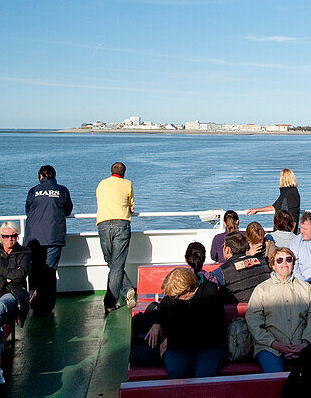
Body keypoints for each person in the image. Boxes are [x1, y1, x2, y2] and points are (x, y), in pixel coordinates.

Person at [246, 246, 311, 373]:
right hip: (270, 348)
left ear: (293, 263)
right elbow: (253, 322)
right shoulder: (261, 290)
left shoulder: (306, 289)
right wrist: (275, 344)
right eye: (279, 260)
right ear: (273, 265)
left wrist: (304, 344)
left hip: (302, 346)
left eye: (288, 259)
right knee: (275, 375)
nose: (284, 263)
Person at [143, 267, 226, 379]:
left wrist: (170, 339)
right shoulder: (174, 298)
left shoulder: (210, 293)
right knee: (177, 372)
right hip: (179, 345)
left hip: (208, 346)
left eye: (175, 296)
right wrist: (157, 323)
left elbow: (208, 330)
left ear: (189, 290)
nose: (173, 299)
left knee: (205, 374)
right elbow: (163, 306)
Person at [25, 164, 73, 314]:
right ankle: (48, 305)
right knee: (50, 271)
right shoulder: (62, 190)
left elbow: (27, 209)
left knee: (34, 270)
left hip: (34, 237)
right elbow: (67, 209)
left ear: (40, 176)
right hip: (53, 236)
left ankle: (34, 303)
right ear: (54, 175)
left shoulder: (33, 191)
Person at [96, 161, 137, 314]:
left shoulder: (102, 184)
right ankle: (113, 300)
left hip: (103, 224)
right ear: (123, 173)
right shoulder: (127, 184)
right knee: (116, 264)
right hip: (121, 223)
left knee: (112, 262)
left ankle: (124, 291)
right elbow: (131, 205)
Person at [213, 232, 271, 303]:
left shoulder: (222, 271)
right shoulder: (263, 263)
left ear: (227, 250)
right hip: (263, 308)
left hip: (236, 312)